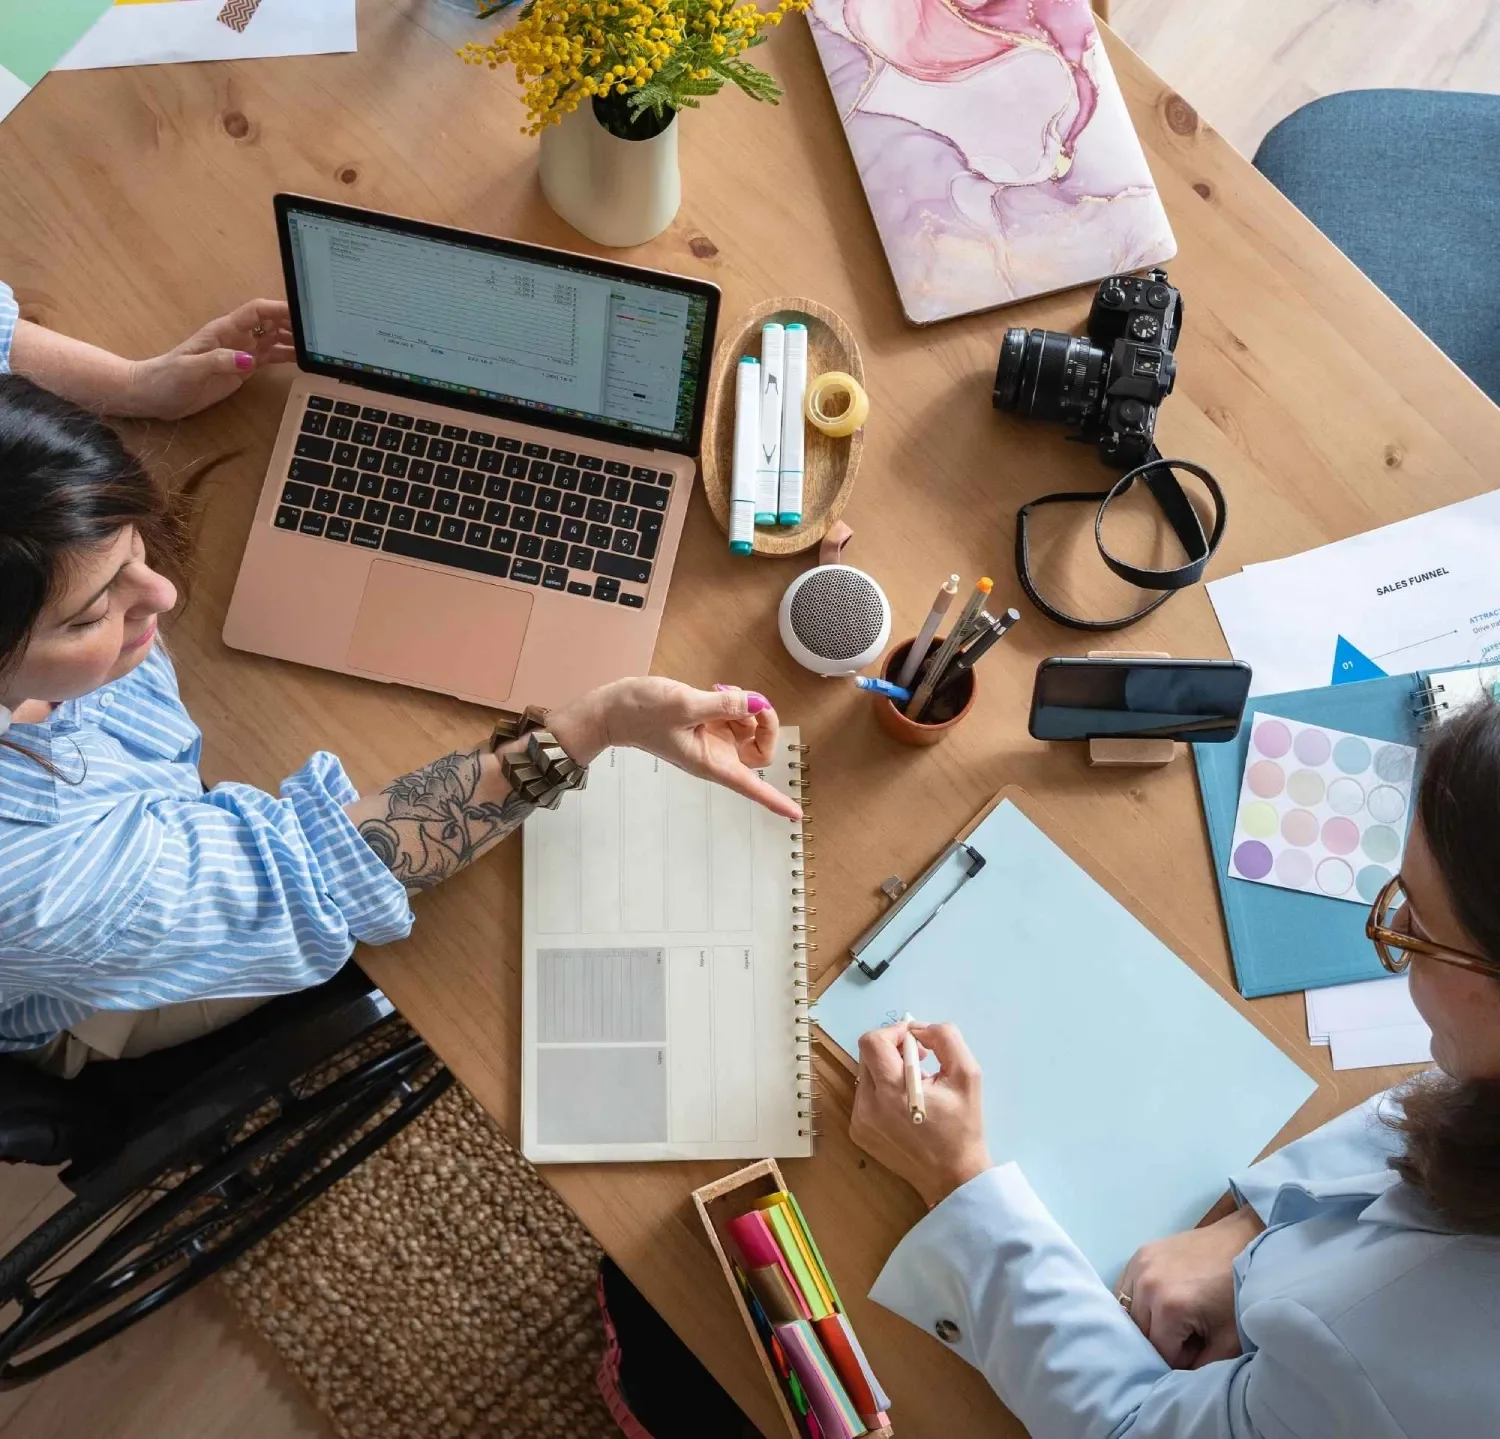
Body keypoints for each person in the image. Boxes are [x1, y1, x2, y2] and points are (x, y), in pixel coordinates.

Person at [0, 283, 799, 1075]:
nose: (163, 595)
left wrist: (137, 386)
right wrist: (596, 724)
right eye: (91, 613)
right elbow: (316, 876)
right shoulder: (41, 877)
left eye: (134, 551)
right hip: (97, 986)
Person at [849, 699, 1500, 1438]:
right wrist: (1256, 1225)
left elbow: (1131, 1426)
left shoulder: (1380, 1356)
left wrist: (957, 1178)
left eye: (1415, 926)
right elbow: (1463, 1101)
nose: (1396, 941)